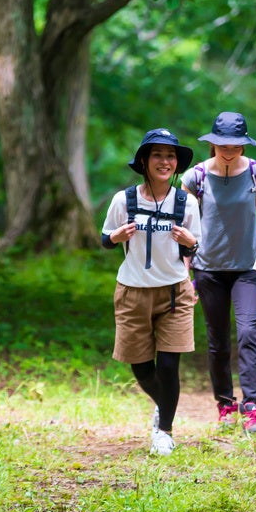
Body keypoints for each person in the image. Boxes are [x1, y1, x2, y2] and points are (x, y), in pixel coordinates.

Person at [101, 128, 201, 457]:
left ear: (177, 164)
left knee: (170, 366)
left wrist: (189, 244)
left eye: (170, 156)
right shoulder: (123, 200)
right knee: (141, 366)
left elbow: (195, 246)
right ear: (144, 161)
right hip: (132, 291)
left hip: (174, 292)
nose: (164, 161)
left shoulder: (186, 202)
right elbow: (105, 239)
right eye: (157, 155)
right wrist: (116, 236)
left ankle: (164, 430)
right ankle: (164, 404)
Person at [182, 111, 256, 436]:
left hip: (248, 269)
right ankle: (225, 406)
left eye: (236, 144)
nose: (229, 150)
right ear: (213, 142)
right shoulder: (195, 178)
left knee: (248, 333)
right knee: (218, 342)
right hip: (208, 270)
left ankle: (252, 408)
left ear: (244, 144)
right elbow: (185, 231)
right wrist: (185, 274)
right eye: (223, 144)